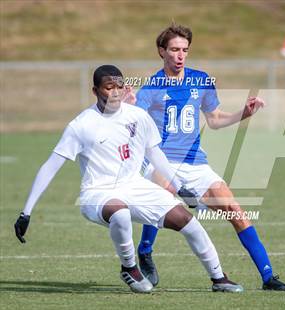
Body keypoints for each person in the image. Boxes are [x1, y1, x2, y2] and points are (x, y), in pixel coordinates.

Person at [14, 65, 243, 293]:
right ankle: (129, 268)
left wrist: (180, 187)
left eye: (119, 86)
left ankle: (219, 278)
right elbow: (50, 167)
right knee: (120, 212)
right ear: (95, 91)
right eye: (108, 87)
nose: (115, 92)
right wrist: (26, 212)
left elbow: (155, 154)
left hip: (135, 186)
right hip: (97, 193)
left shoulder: (138, 116)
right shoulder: (81, 125)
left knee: (187, 221)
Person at [134, 24, 285, 291]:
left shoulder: (201, 81)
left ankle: (268, 278)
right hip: (161, 160)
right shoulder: (151, 87)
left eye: (184, 50)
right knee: (164, 197)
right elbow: (135, 122)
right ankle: (145, 250)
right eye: (174, 49)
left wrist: (243, 114)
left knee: (235, 210)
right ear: (161, 51)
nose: (180, 55)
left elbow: (215, 119)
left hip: (196, 163)